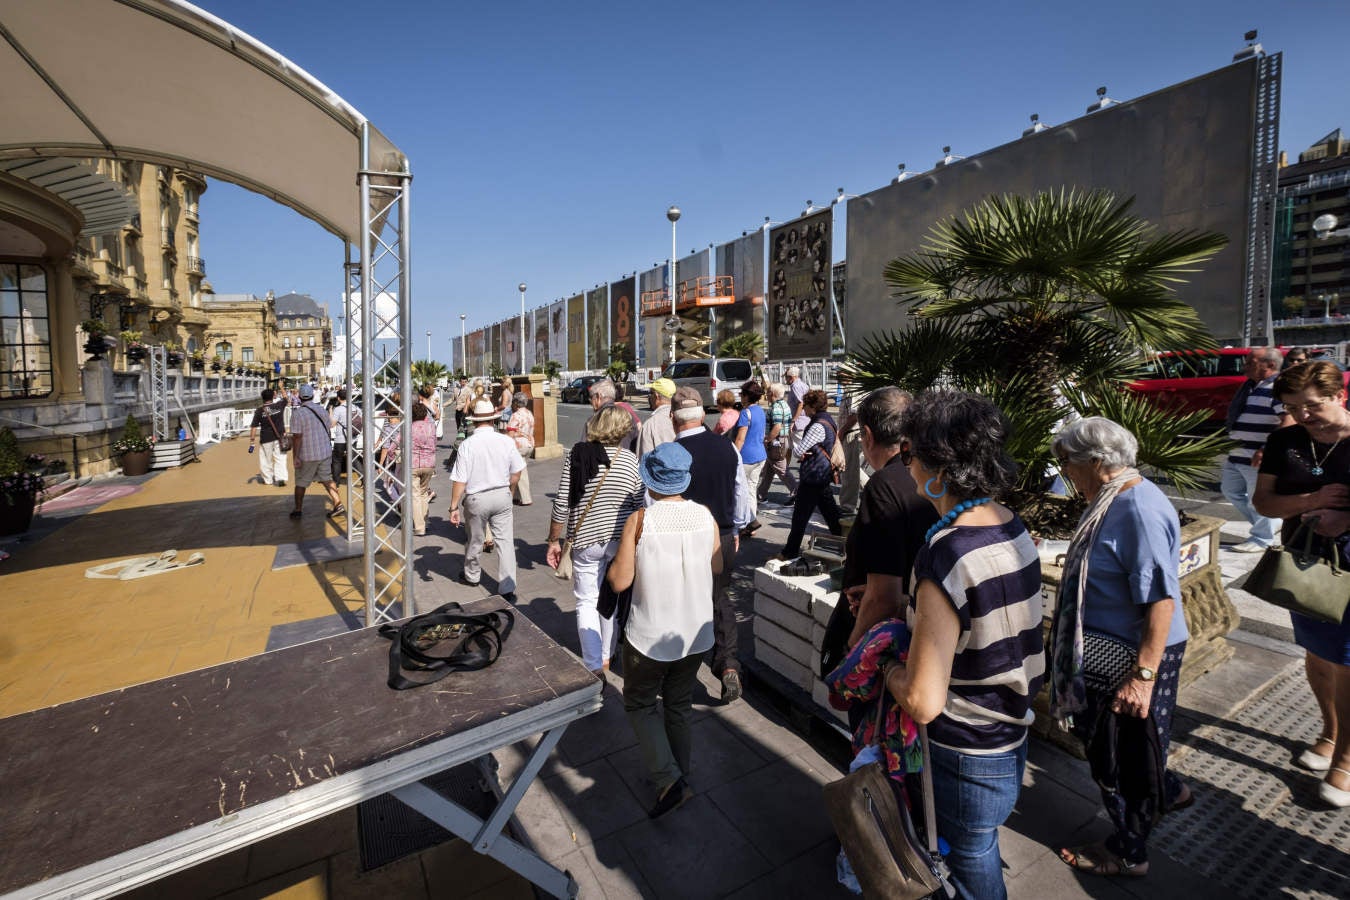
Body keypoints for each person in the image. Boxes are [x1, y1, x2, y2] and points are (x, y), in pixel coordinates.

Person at [881, 391, 1043, 900]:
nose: (905, 467)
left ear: (937, 468)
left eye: (910, 455)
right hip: (1010, 726)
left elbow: (924, 700)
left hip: (964, 742)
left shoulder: (947, 551)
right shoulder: (1008, 521)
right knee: (979, 844)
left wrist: (885, 664)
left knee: (966, 858)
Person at [1049, 417, 1194, 877]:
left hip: (1131, 657)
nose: (1064, 472)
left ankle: (1129, 851)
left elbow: (1161, 599)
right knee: (1138, 743)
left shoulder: (1136, 509)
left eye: (1066, 462)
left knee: (1117, 752)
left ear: (1095, 463)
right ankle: (1167, 790)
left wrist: (1142, 676)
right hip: (1113, 650)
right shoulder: (1115, 499)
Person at [606, 441, 721, 818]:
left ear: (651, 482)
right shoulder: (705, 515)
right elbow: (717, 567)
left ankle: (670, 780)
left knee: (639, 703)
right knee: (679, 704)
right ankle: (678, 774)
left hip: (650, 636)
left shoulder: (641, 520)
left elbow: (620, 582)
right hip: (696, 635)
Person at [1253, 361, 1350, 807]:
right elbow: (1265, 502)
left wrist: (1344, 517)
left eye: (1312, 405)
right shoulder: (1284, 440)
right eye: (1293, 406)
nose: (1303, 415)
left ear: (1339, 396)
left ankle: (1346, 760)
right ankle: (1330, 734)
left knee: (1347, 660)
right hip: (1305, 563)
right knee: (1317, 653)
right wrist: (1313, 501)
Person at [822, 388, 938, 692]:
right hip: (922, 635)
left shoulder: (884, 486)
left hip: (890, 645)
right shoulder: (930, 476)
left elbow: (883, 595)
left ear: (868, 436)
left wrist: (851, 651)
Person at [546, 405, 645, 675]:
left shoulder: (577, 456)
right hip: (619, 541)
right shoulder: (630, 460)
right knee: (609, 599)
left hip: (586, 539)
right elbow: (638, 504)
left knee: (586, 600)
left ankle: (593, 665)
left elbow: (562, 503)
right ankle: (606, 655)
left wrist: (554, 539)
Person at [672, 386, 746, 702]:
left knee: (682, 602)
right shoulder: (727, 448)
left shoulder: (671, 454)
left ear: (673, 419)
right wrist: (737, 527)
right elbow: (741, 494)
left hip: (684, 538)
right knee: (719, 597)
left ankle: (682, 669)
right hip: (724, 535)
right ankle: (728, 665)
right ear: (703, 415)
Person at [448, 399, 525, 599]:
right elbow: (517, 470)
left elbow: (460, 480)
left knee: (475, 539)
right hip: (501, 494)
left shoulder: (467, 445)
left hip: (477, 498)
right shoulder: (506, 441)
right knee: (505, 541)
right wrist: (510, 488)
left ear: (474, 422)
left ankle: (472, 575)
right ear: (493, 420)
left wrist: (453, 507)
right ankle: (507, 586)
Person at [1222, 347, 1286, 552]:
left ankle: (1262, 538)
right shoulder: (1251, 386)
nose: (1245, 366)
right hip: (1237, 454)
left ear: (1270, 365)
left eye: (1251, 362)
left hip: (1256, 457)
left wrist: (1267, 449)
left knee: (1256, 497)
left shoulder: (1278, 388)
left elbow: (1289, 420)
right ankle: (1271, 523)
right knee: (1230, 491)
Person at [779, 389, 843, 560]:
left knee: (800, 517)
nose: (804, 409)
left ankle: (789, 552)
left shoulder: (817, 425)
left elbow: (800, 450)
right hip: (821, 473)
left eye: (806, 405)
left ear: (813, 406)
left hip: (813, 474)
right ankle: (848, 546)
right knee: (831, 515)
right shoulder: (828, 419)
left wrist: (806, 451)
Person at [288, 383, 344, 520]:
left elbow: (297, 437)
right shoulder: (321, 410)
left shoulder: (298, 414)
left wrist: (295, 457)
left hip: (307, 455)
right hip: (324, 451)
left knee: (301, 482)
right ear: (312, 396)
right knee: (326, 478)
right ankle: (338, 503)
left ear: (300, 397)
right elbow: (329, 425)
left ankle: (298, 509)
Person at [732, 380, 768, 533]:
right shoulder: (760, 411)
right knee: (751, 489)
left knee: (739, 490)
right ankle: (751, 522)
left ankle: (748, 521)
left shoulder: (744, 414)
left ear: (747, 397)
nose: (740, 396)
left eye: (742, 394)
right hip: (760, 455)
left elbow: (740, 438)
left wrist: (733, 455)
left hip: (746, 457)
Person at [757, 382, 797, 504]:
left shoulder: (776, 407)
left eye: (768, 392)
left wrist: (768, 439)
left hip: (776, 441)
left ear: (773, 394)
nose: (766, 394)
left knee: (781, 468)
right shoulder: (784, 404)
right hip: (782, 440)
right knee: (769, 468)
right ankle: (761, 494)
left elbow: (777, 427)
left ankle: (797, 492)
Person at [836, 386, 871, 513]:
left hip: (852, 434)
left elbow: (855, 415)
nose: (839, 375)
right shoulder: (850, 389)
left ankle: (847, 506)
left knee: (850, 471)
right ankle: (875, 493)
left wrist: (841, 432)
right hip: (851, 433)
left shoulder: (854, 389)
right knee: (855, 469)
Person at [248, 387, 289, 487]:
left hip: (266, 438)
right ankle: (280, 479)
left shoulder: (259, 411)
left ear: (262, 398)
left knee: (266, 460)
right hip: (279, 437)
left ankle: (268, 479)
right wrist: (281, 387)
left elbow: (254, 426)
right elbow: (286, 399)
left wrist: (252, 440)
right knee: (280, 458)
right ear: (273, 397)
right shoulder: (278, 405)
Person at [590, 378, 639, 450]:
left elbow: (582, 453)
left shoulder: (594, 420)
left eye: (591, 398)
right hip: (627, 460)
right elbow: (637, 443)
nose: (591, 402)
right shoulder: (628, 416)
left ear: (598, 397)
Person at [505, 391, 534, 506]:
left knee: (520, 471)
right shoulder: (529, 413)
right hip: (529, 444)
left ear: (516, 403)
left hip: (518, 446)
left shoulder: (515, 415)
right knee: (517, 468)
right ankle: (516, 497)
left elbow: (511, 433)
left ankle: (526, 498)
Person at [636, 377, 677, 458]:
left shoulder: (650, 425)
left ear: (657, 396)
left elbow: (644, 460)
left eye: (650, 393)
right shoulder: (682, 418)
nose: (649, 396)